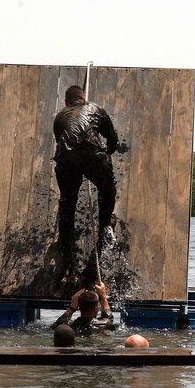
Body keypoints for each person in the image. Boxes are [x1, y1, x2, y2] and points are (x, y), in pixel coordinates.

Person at [52, 85, 127, 260]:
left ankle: (66, 245)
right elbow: (113, 140)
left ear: (66, 102)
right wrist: (105, 155)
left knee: (67, 202)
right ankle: (105, 227)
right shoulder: (95, 108)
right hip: (92, 154)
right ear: (83, 98)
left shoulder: (59, 117)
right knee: (107, 188)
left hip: (65, 159)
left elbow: (62, 142)